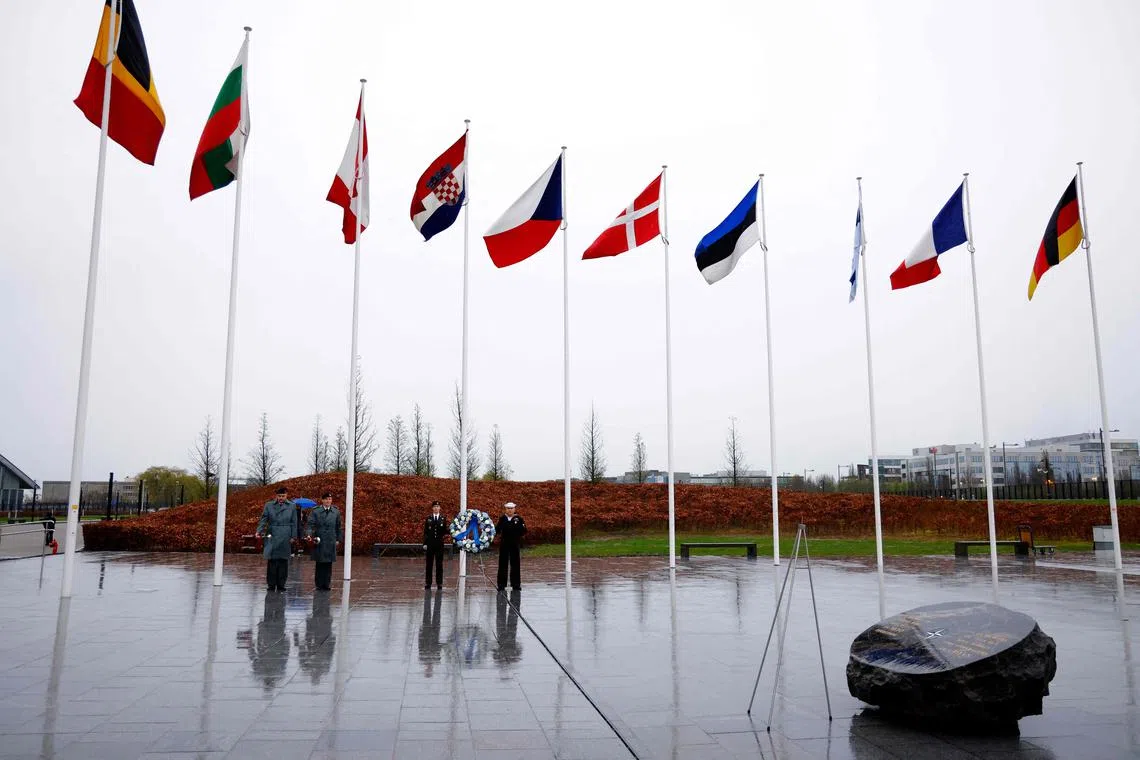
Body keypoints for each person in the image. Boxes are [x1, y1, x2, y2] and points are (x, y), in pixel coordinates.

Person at [257, 486, 298, 591]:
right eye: (279, 496)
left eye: (283, 496)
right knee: (272, 560)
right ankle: (271, 584)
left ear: (286, 495)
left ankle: (281, 584)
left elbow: (294, 522)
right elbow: (264, 519)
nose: (281, 498)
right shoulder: (269, 505)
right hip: (272, 534)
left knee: (283, 561)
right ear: (276, 496)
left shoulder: (292, 506)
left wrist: (293, 536)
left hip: (286, 534)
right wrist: (259, 530)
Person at [305, 492, 342, 591]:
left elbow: (338, 527)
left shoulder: (336, 512)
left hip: (330, 540)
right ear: (322, 500)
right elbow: (310, 524)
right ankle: (319, 584)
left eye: (329, 499)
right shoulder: (316, 511)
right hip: (319, 540)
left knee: (328, 564)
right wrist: (309, 534)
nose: (328, 501)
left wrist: (338, 539)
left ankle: (327, 584)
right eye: (326, 499)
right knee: (320, 563)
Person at [496, 502, 527, 591]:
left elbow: (524, 531)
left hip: (515, 544)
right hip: (504, 544)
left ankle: (516, 584)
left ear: (514, 509)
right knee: (502, 564)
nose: (510, 510)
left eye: (511, 508)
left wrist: (518, 529)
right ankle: (501, 585)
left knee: (515, 564)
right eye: (508, 508)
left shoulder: (519, 519)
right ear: (505, 509)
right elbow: (497, 530)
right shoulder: (502, 519)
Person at [422, 500, 448, 589]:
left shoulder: (443, 518)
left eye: (438, 507)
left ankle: (439, 583)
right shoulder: (428, 518)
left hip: (439, 545)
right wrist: (425, 543)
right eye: (434, 507)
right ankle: (428, 583)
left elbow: (445, 531)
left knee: (439, 564)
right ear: (432, 508)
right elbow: (425, 532)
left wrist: (453, 530)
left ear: (440, 508)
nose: (436, 508)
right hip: (430, 544)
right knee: (429, 564)